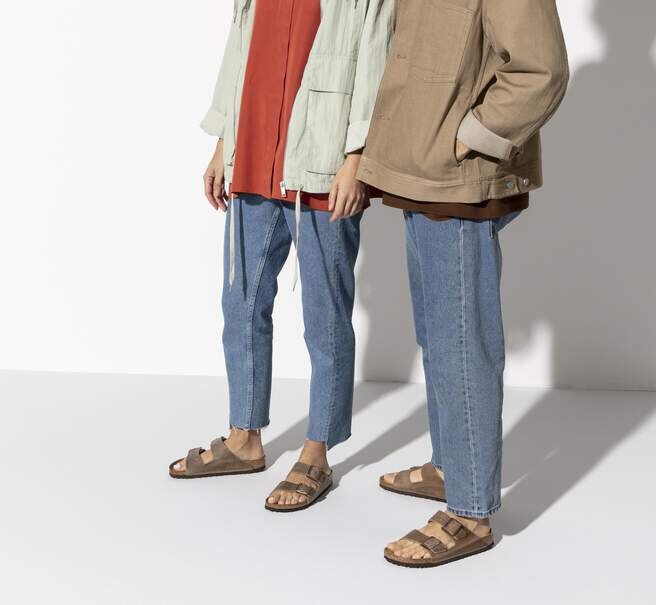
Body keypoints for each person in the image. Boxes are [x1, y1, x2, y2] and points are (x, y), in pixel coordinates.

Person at [358, 0, 569, 567]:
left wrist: (472, 136)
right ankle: (452, 466)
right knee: (436, 333)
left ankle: (471, 511)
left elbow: (542, 69)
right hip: (418, 168)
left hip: (457, 177)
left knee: (461, 344)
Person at [169, 0, 394, 513]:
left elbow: (376, 62)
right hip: (251, 156)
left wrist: (357, 158)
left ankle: (317, 452)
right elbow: (240, 52)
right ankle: (243, 438)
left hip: (321, 164)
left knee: (324, 317)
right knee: (240, 304)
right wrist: (223, 143)